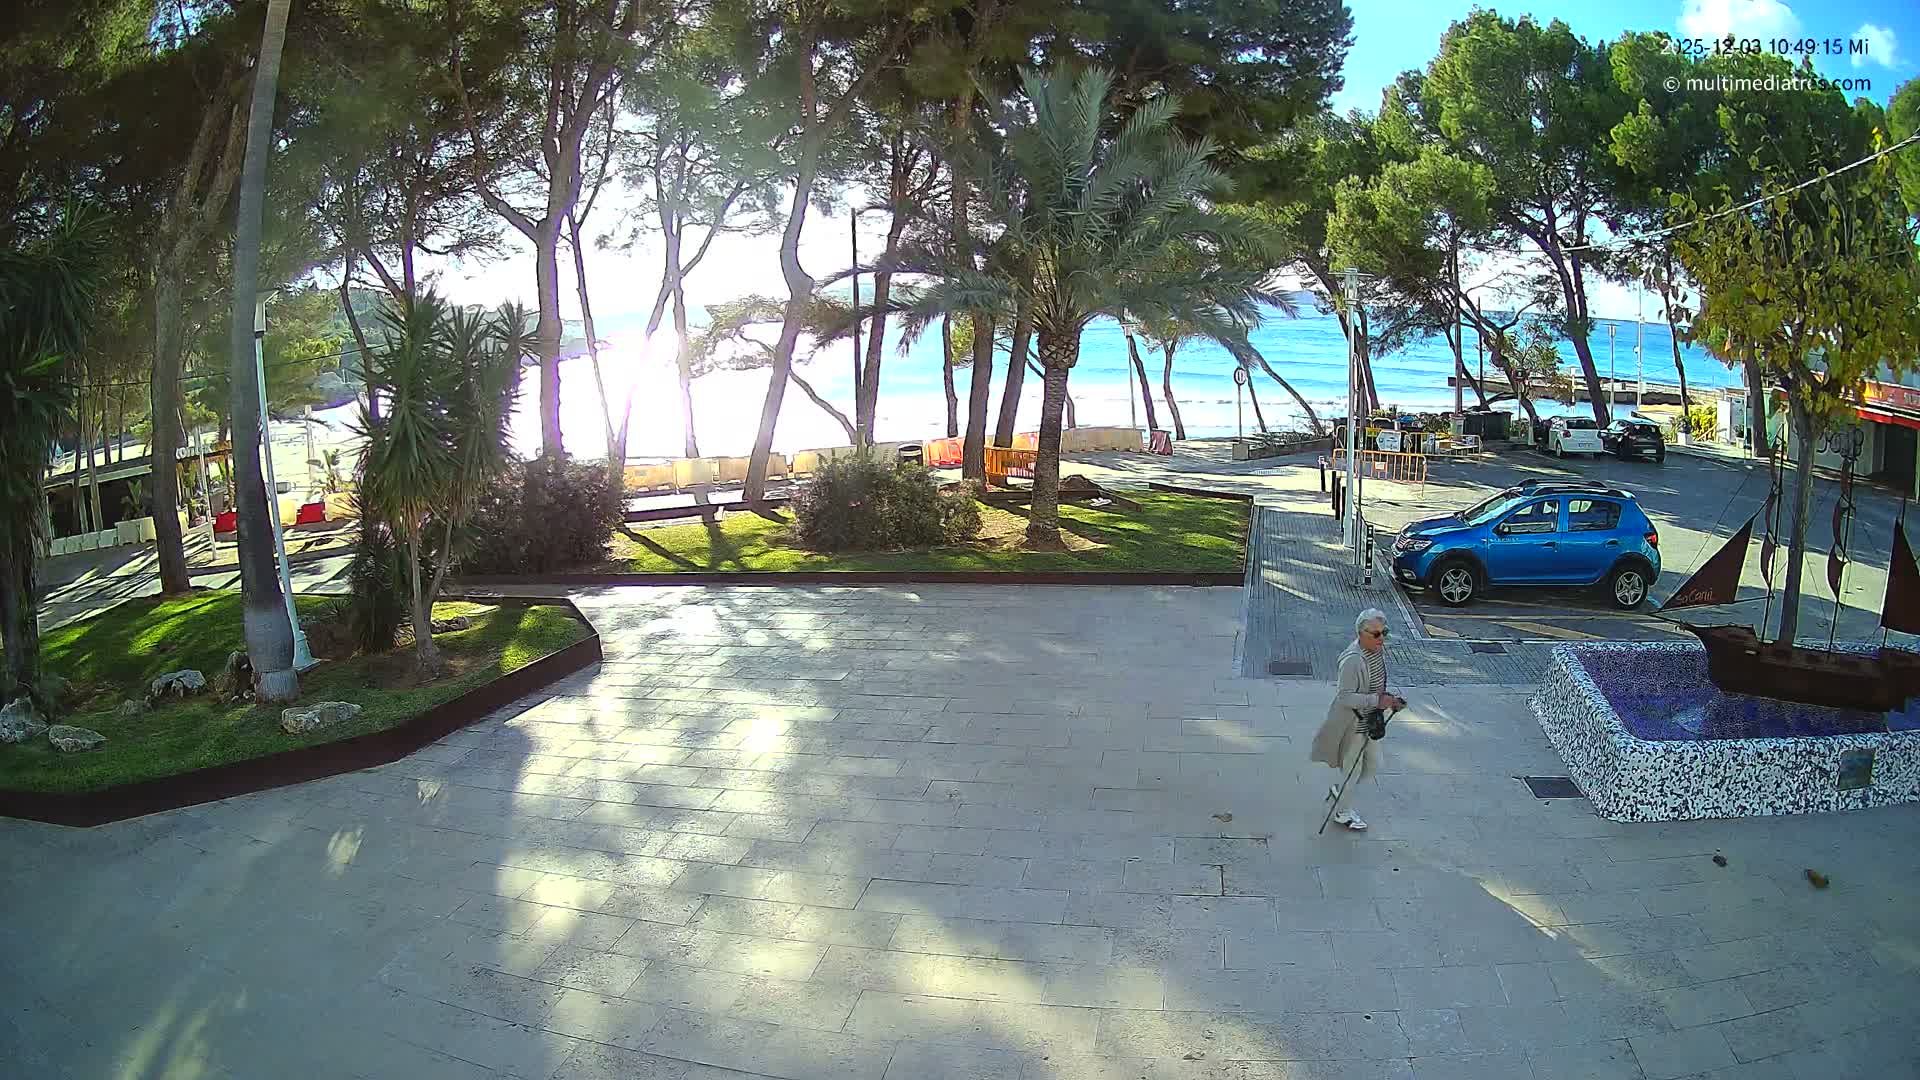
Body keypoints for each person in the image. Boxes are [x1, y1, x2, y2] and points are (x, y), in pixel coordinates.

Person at [1310, 608, 1405, 831]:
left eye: (1384, 633)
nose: (1381, 639)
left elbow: (1376, 687)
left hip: (1370, 721)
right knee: (1352, 769)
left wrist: (1390, 700)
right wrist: (1377, 701)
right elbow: (1344, 697)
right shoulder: (1352, 660)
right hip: (1353, 724)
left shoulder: (1376, 652)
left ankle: (1339, 790)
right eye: (1376, 634)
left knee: (1373, 765)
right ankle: (1342, 812)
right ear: (1361, 633)